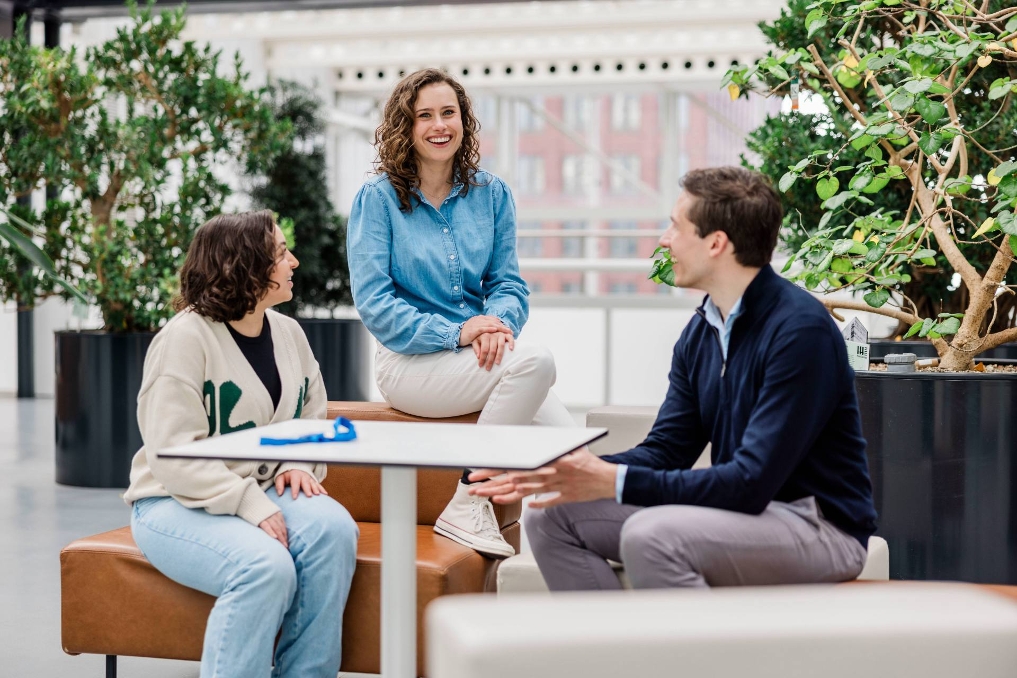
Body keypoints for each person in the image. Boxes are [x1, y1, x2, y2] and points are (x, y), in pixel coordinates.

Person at [470, 166, 878, 589]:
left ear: (716, 243)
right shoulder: (703, 330)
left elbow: (750, 483)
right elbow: (667, 449)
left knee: (653, 537)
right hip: (744, 515)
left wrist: (611, 479)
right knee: (550, 514)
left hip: (819, 525)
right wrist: (571, 471)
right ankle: (609, 655)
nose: (665, 241)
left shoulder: (799, 331)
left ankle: (677, 656)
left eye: (676, 227)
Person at [347, 68, 573, 559]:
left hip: (481, 355)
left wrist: (495, 326)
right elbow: (375, 305)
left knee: (571, 454)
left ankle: (556, 578)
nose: (438, 125)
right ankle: (468, 499)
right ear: (404, 126)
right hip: (409, 363)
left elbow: (508, 284)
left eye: (448, 112)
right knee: (536, 363)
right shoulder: (378, 199)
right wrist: (459, 331)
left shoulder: (491, 194)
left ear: (464, 121)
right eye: (423, 115)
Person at [123, 211, 359, 677]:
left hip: (263, 486)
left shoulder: (288, 332)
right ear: (246, 268)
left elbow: (313, 409)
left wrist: (298, 462)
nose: (293, 261)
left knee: (334, 530)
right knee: (264, 567)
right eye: (280, 254)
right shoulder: (183, 339)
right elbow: (171, 453)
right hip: (173, 500)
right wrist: (249, 503)